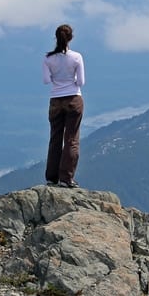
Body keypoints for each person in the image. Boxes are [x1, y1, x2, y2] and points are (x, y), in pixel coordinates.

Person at [42, 23, 85, 188]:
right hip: (74, 98)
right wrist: (70, 82)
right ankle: (66, 178)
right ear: (70, 38)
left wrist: (57, 81)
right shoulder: (76, 57)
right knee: (71, 139)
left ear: (56, 37)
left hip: (55, 99)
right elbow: (81, 81)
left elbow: (46, 80)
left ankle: (51, 176)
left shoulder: (48, 58)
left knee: (55, 138)